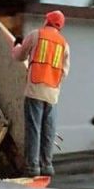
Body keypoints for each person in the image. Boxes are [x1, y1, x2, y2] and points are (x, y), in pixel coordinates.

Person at [12, 10, 70, 177]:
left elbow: (20, 56)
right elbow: (65, 71)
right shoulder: (64, 44)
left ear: (47, 21)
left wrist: (16, 46)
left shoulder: (36, 35)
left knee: (34, 129)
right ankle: (47, 165)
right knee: (48, 130)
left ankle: (32, 167)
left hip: (35, 89)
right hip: (52, 93)